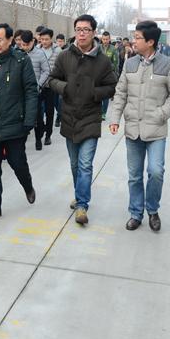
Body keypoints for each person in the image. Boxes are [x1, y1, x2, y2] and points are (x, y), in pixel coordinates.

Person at [109, 20, 170, 232]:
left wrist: (161, 114)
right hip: (133, 129)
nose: (134, 41)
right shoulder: (130, 64)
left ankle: (152, 210)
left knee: (156, 171)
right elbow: (120, 93)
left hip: (156, 130)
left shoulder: (167, 65)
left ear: (150, 42)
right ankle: (135, 213)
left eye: (137, 38)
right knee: (134, 175)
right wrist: (115, 119)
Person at [48, 15, 118, 225]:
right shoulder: (64, 56)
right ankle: (80, 195)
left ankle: (82, 206)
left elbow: (111, 86)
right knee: (74, 164)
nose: (81, 33)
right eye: (78, 29)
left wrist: (94, 92)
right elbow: (52, 79)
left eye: (86, 29)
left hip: (90, 118)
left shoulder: (102, 61)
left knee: (85, 164)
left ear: (94, 32)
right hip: (69, 117)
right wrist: (65, 88)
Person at [0, 23, 38, 221]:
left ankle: (27, 185)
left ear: (10, 40)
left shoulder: (21, 61)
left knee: (17, 162)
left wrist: (29, 120)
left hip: (15, 124)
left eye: (0, 39)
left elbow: (31, 91)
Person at [18, 30, 50, 151]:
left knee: (37, 117)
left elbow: (46, 71)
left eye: (27, 44)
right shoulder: (18, 53)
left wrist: (39, 85)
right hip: (20, 92)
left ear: (33, 41)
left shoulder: (40, 54)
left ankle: (38, 139)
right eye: (23, 44)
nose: (25, 47)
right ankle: (21, 142)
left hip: (34, 92)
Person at [38, 28, 60, 145]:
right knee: (37, 112)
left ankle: (48, 135)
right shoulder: (37, 50)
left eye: (46, 39)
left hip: (51, 86)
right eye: (42, 39)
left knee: (49, 112)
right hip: (38, 85)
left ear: (51, 39)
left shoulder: (58, 51)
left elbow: (61, 68)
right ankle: (41, 128)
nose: (44, 42)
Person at [100, 31, 119, 121]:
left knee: (106, 96)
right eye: (104, 39)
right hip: (98, 75)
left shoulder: (113, 49)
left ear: (109, 39)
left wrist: (107, 67)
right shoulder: (98, 48)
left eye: (107, 39)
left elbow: (115, 64)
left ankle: (103, 113)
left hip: (108, 76)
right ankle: (98, 111)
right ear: (101, 39)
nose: (105, 41)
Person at [54, 33, 67, 127]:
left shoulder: (68, 50)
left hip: (65, 79)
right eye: (58, 41)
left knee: (60, 99)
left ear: (64, 42)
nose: (60, 43)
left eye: (61, 41)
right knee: (55, 100)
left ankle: (59, 117)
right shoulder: (54, 50)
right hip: (55, 78)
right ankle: (60, 113)